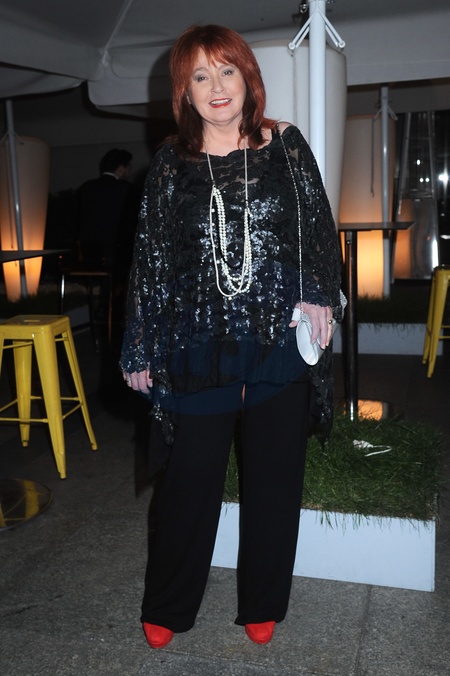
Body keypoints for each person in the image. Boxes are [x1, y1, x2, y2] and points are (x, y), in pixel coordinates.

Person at [120, 24, 342, 649]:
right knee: (189, 480)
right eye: (200, 76)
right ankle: (168, 604)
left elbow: (318, 229)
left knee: (275, 477)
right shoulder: (170, 164)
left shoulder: (286, 144)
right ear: (184, 92)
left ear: (248, 78)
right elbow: (151, 258)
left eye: (226, 70)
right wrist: (141, 344)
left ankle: (263, 603)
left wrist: (319, 291)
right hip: (197, 342)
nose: (216, 86)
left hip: (278, 337)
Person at [77, 148, 133, 269]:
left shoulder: (86, 187)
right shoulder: (127, 189)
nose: (130, 174)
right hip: (118, 249)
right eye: (129, 169)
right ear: (121, 169)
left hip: (89, 249)